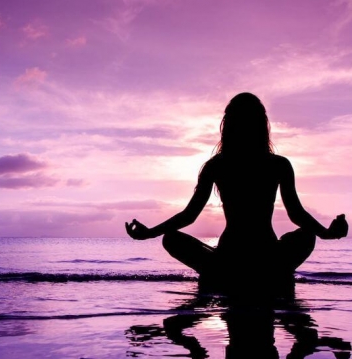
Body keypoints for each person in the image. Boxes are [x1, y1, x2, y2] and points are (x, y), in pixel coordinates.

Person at [125, 92, 348, 282]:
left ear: (227, 125)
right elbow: (296, 214)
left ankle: (219, 273)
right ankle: (274, 276)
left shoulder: (218, 165)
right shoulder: (277, 164)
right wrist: (326, 233)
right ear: (262, 125)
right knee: (307, 235)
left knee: (170, 238)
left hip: (228, 258)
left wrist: (151, 233)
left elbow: (189, 215)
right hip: (267, 256)